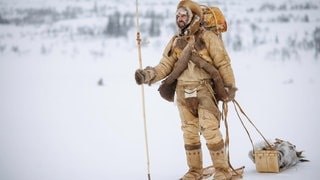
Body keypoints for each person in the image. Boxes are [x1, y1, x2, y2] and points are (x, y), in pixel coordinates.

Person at [134, 0, 237, 179]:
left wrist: (229, 87)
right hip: (182, 93)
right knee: (189, 133)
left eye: (184, 15)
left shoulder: (208, 38)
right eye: (178, 16)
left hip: (204, 90)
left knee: (210, 129)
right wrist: (147, 75)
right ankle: (195, 172)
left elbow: (223, 62)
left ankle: (222, 171)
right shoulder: (175, 42)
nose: (180, 19)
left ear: (193, 17)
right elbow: (165, 65)